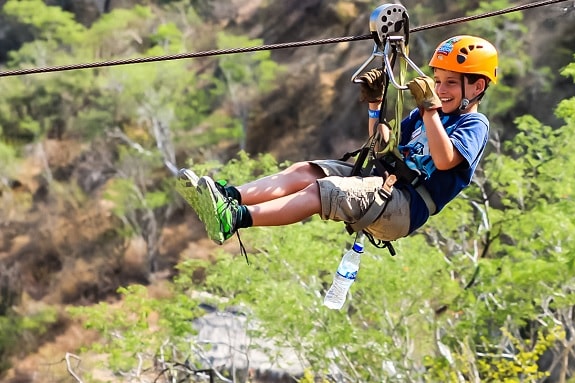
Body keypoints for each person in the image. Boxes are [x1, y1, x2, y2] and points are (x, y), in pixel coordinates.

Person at [177, 35, 498, 246]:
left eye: (451, 83)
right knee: (307, 171)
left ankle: (233, 219)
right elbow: (382, 145)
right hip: (383, 183)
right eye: (438, 81)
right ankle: (227, 197)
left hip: (405, 207)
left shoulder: (473, 123)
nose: (441, 90)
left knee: (323, 191)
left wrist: (429, 110)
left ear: (477, 87)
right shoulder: (425, 115)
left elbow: (444, 161)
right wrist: (375, 105)